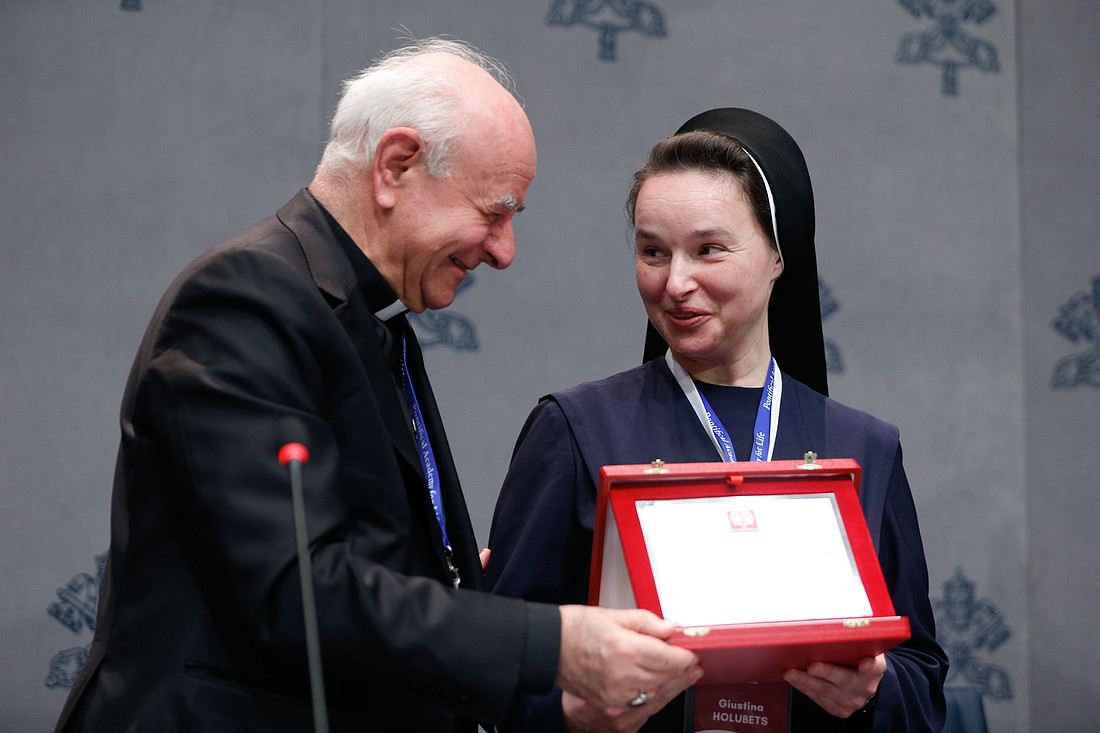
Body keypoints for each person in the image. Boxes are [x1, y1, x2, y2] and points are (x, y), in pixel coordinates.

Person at [53, 38, 703, 733]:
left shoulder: (375, 320)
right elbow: (300, 592)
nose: (504, 251)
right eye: (495, 210)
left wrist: (543, 695)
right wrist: (555, 646)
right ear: (396, 167)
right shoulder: (247, 300)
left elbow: (371, 587)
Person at [486, 108, 949, 732]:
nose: (676, 282)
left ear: (779, 256)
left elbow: (922, 686)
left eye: (709, 250)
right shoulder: (575, 430)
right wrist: (579, 709)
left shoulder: (865, 446)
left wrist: (873, 690)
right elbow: (499, 672)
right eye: (653, 251)